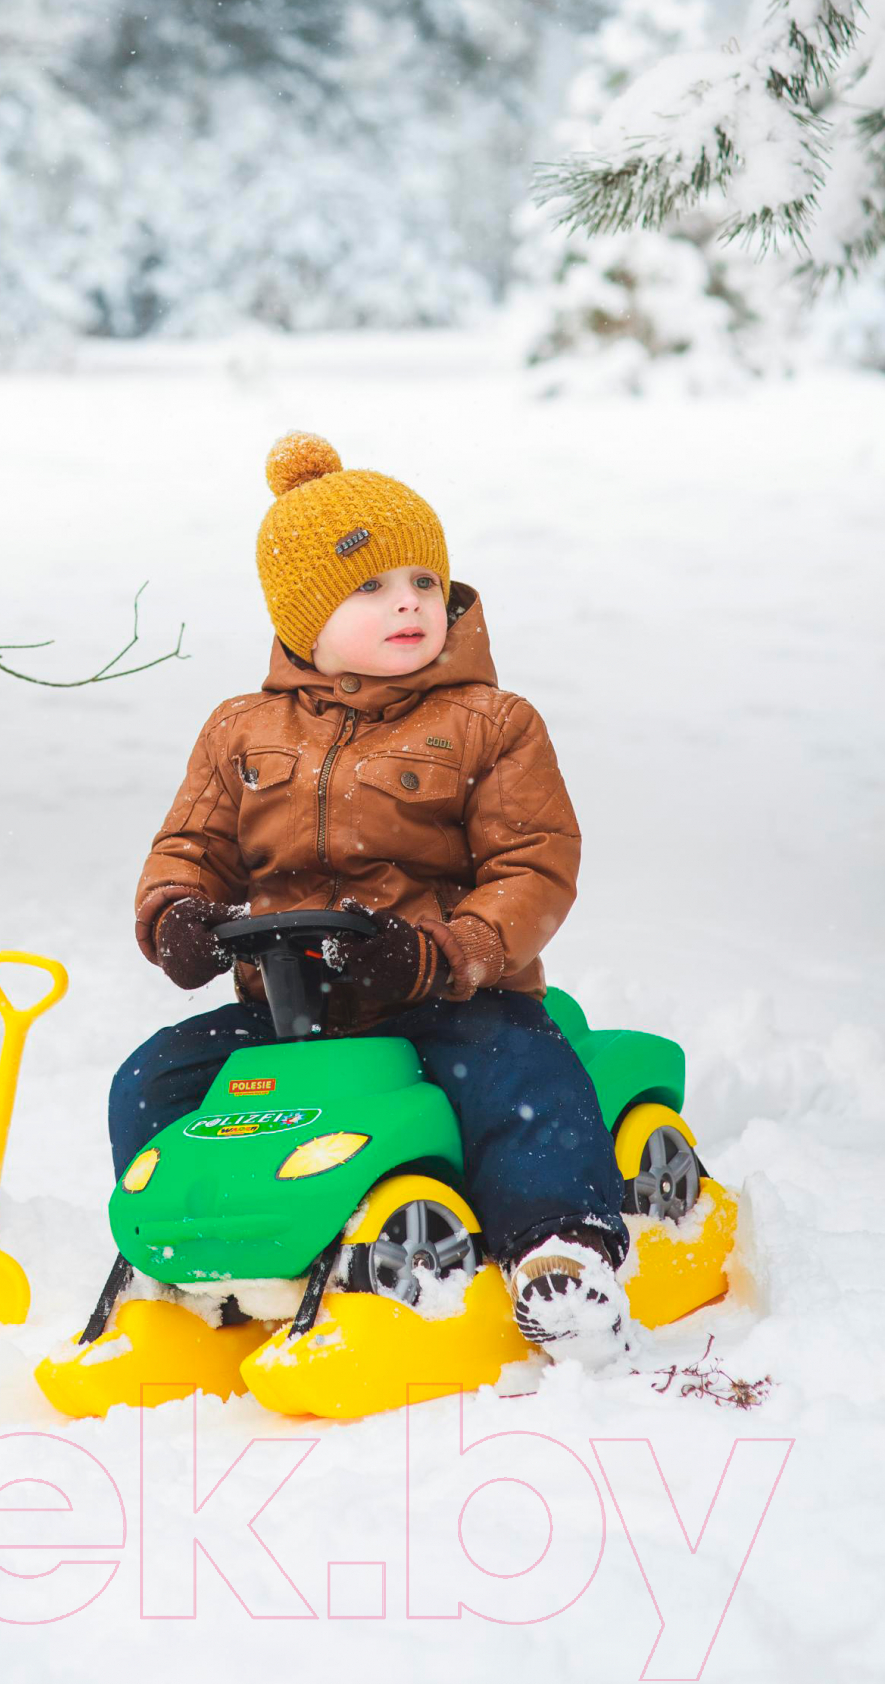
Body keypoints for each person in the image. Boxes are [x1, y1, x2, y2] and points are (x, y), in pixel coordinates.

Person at [111, 431, 631, 1366]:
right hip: (289, 1012)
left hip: (445, 995)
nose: (408, 602)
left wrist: (450, 950)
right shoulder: (241, 729)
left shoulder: (490, 725)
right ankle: (184, 1258)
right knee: (156, 1082)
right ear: (304, 619)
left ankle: (559, 1247)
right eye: (371, 588)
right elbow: (190, 847)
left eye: (423, 582)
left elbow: (535, 864)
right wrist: (177, 915)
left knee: (518, 1078)